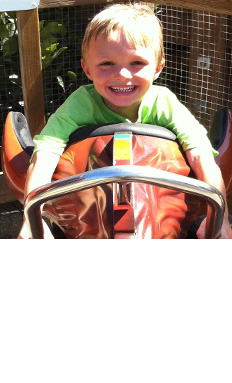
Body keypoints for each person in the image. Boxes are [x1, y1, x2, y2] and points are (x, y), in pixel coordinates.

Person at [18, 3, 232, 239]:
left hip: (157, 204)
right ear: (87, 69)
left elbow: (200, 152)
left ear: (158, 68)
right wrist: (32, 218)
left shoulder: (164, 102)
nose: (122, 74)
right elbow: (46, 152)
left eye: (137, 63)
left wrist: (218, 218)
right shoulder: (79, 103)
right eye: (107, 63)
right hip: (91, 203)